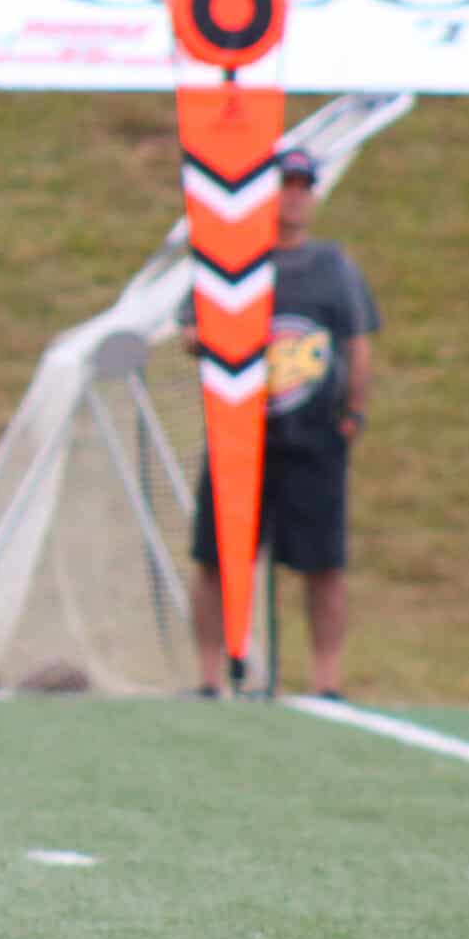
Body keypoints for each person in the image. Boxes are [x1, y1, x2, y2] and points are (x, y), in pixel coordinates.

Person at [185, 146, 378, 700]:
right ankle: (209, 674)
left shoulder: (333, 267)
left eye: (303, 184)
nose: (294, 194)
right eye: (284, 182)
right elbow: (191, 328)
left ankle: (325, 680)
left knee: (323, 562)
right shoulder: (231, 258)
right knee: (218, 557)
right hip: (239, 434)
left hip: (313, 435)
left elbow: (358, 343)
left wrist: (354, 411)